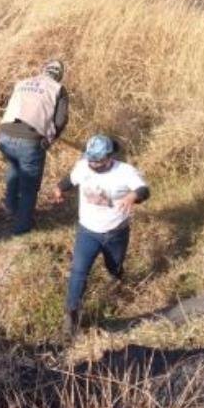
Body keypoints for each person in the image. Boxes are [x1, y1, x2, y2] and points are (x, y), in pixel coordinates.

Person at [53, 134, 151, 339]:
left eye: (98, 160)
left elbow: (144, 190)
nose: (93, 164)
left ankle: (118, 284)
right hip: (87, 232)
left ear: (109, 156)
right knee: (79, 272)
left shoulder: (125, 172)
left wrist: (133, 196)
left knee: (114, 266)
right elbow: (70, 180)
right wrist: (60, 189)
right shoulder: (83, 167)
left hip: (116, 232)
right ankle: (71, 315)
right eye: (90, 159)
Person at [0, 59, 68, 235]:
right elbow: (60, 120)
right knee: (29, 185)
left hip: (4, 135)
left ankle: (11, 207)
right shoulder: (58, 89)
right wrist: (50, 139)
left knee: (14, 166)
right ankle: (22, 226)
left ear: (43, 70)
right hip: (29, 140)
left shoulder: (22, 83)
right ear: (59, 76)